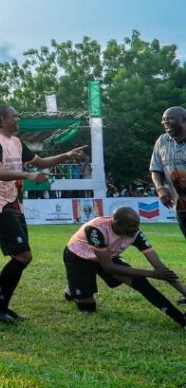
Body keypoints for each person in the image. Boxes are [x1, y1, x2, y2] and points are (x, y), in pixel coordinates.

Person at [0, 105, 87, 324]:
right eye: (15, 116)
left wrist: (67, 155)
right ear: (2, 119)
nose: (18, 118)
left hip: (12, 203)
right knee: (23, 256)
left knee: (21, 257)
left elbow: (42, 162)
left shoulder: (16, 142)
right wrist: (28, 175)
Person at [63, 206, 186, 328]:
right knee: (88, 309)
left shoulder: (135, 233)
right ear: (117, 223)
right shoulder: (95, 229)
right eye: (132, 226)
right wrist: (152, 274)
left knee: (141, 283)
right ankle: (72, 288)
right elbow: (109, 268)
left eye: (137, 225)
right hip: (79, 257)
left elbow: (161, 268)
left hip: (105, 255)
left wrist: (181, 290)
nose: (136, 229)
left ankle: (181, 319)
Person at [152, 106, 186, 244]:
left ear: (184, 120)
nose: (164, 122)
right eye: (163, 120)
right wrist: (160, 188)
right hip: (181, 205)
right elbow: (156, 169)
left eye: (169, 119)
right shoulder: (162, 141)